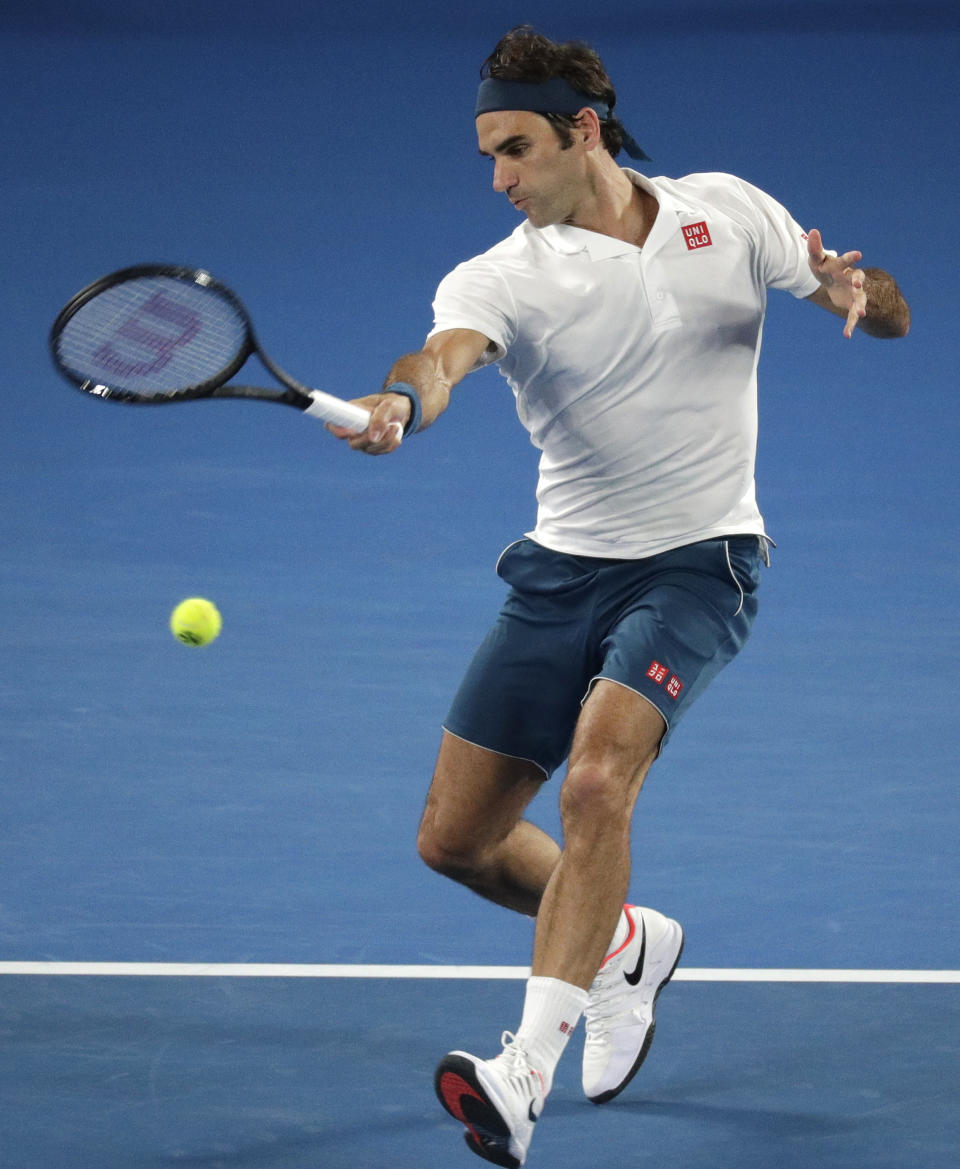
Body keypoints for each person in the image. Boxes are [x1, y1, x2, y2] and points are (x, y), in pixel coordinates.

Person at [329, 26, 910, 1168]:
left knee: (599, 780)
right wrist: (405, 398)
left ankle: (522, 1072)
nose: (498, 176)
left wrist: (856, 287)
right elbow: (442, 359)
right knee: (455, 841)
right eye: (489, 154)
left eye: (516, 148)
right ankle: (625, 943)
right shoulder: (502, 274)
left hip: (702, 560)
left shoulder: (727, 212)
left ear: (582, 130)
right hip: (562, 569)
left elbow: (886, 307)